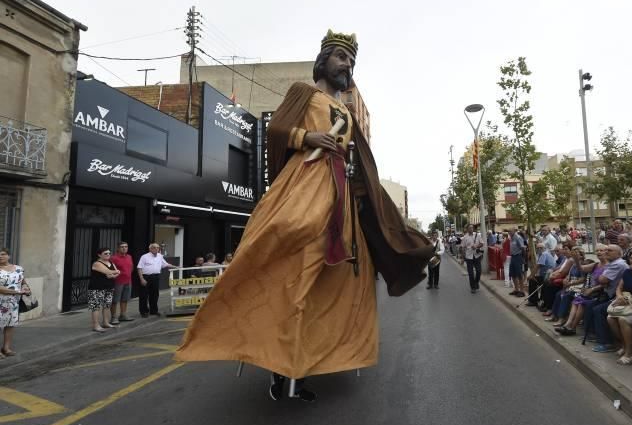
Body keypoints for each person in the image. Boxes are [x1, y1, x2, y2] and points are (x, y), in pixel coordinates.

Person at [176, 30, 433, 403]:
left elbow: (359, 161)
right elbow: (276, 128)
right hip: (307, 182)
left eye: (351, 60)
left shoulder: (346, 109)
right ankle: (273, 357)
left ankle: (309, 362)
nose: (347, 64)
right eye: (341, 57)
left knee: (337, 283)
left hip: (340, 195)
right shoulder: (302, 92)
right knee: (293, 247)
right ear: (324, 59)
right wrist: (308, 138)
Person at [555, 245, 608, 336]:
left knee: (580, 303)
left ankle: (572, 327)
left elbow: (606, 284)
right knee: (576, 301)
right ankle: (568, 325)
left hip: (600, 293)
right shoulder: (596, 264)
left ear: (606, 252)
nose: (599, 252)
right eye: (597, 250)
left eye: (601, 250)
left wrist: (591, 289)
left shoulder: (609, 266)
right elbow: (582, 269)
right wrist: (576, 259)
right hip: (590, 291)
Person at [587, 244, 629, 353]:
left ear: (619, 254)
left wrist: (601, 279)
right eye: (606, 250)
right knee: (590, 305)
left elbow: (602, 280)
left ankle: (606, 342)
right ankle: (595, 334)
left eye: (609, 251)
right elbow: (601, 280)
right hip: (609, 294)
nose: (606, 252)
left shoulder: (617, 264)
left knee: (599, 310)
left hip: (617, 296)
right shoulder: (612, 263)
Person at [0, 248, 30, 357]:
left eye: (3, 254)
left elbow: (23, 281)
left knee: (10, 324)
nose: (1, 256)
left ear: (9, 256)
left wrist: (25, 288)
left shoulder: (18, 269)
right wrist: (17, 291)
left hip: (13, 302)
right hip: (0, 301)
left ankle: (6, 348)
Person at [137, 243, 176, 318]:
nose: (156, 249)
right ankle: (144, 311)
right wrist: (142, 279)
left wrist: (176, 267)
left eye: (158, 248)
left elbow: (166, 264)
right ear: (150, 249)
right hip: (146, 277)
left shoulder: (160, 256)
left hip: (156, 277)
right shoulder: (144, 257)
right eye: (154, 247)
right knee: (144, 295)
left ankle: (154, 310)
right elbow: (139, 268)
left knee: (155, 294)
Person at [89, 247, 120, 333]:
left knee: (107, 305)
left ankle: (106, 322)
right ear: (99, 255)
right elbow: (109, 272)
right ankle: (95, 325)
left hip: (109, 287)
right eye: (105, 253)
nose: (108, 255)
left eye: (109, 253)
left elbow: (111, 275)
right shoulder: (97, 263)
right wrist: (115, 272)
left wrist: (114, 273)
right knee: (96, 306)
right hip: (97, 288)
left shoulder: (111, 262)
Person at [110, 242, 134, 325]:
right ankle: (113, 317)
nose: (124, 248)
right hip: (117, 282)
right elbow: (110, 270)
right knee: (114, 300)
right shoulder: (113, 258)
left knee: (125, 299)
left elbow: (131, 268)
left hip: (128, 281)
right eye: (122, 247)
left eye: (126, 247)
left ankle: (123, 315)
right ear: (118, 248)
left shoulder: (129, 257)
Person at [462, 224, 484, 294]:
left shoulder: (478, 235)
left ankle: (476, 282)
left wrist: (476, 246)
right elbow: (463, 247)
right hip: (469, 257)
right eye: (469, 228)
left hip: (477, 256)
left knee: (479, 271)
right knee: (471, 273)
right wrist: (463, 258)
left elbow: (482, 243)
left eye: (472, 228)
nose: (471, 229)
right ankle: (473, 287)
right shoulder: (465, 237)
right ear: (467, 229)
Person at [508, 227, 526, 298]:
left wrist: (523, 258)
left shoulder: (518, 237)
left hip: (518, 256)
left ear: (514, 231)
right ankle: (516, 289)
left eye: (511, 231)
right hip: (513, 257)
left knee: (519, 274)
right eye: (509, 231)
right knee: (512, 273)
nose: (509, 232)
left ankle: (522, 291)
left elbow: (523, 248)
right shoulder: (511, 238)